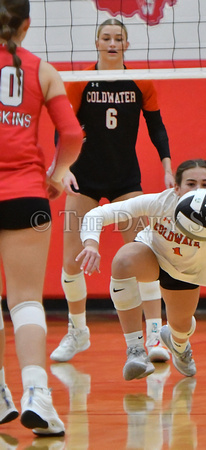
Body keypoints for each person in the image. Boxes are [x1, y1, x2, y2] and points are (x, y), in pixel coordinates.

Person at [50, 18, 174, 364]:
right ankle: (77, 331)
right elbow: (65, 129)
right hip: (85, 178)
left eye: (118, 38)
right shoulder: (80, 81)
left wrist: (166, 165)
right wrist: (63, 170)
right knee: (71, 260)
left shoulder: (140, 80)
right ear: (97, 43)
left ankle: (154, 336)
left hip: (124, 181)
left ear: (126, 44)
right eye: (106, 37)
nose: (112, 43)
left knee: (140, 258)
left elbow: (157, 126)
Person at [76, 159, 206, 380]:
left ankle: (179, 344)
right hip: (152, 255)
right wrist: (91, 243)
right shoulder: (160, 202)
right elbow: (99, 214)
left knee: (181, 327)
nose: (198, 189)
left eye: (205, 185)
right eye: (191, 183)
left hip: (186, 274)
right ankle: (135, 351)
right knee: (123, 261)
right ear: (176, 188)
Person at [0, 0, 82, 435]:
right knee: (26, 300)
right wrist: (57, 175)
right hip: (25, 194)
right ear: (26, 25)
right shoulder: (41, 70)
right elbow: (71, 134)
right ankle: (36, 392)